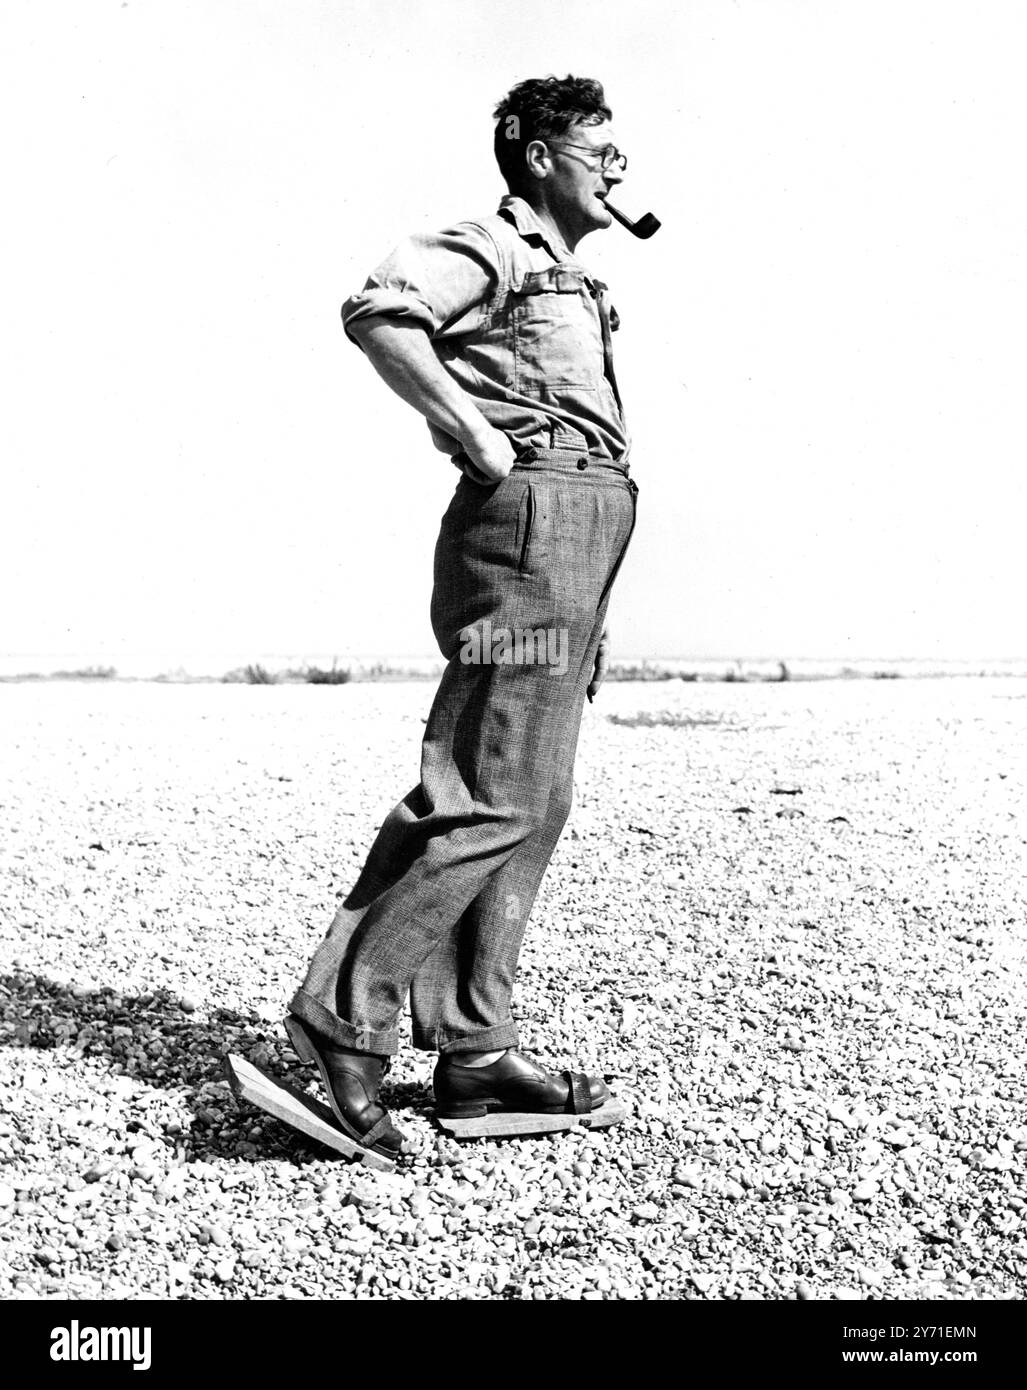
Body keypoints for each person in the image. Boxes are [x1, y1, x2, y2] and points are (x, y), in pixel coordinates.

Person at [285, 75, 640, 1160]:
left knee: (533, 798)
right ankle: (343, 1027)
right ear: (536, 156)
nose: (619, 168)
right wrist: (475, 437)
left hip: (573, 543)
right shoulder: (495, 244)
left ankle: (476, 1057)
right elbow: (379, 310)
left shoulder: (572, 274)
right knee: (489, 789)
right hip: (528, 534)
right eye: (599, 150)